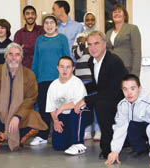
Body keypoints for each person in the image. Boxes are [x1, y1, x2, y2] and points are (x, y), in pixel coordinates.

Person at [0, 42, 48, 155]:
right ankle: (2, 133)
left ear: (21, 58)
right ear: (6, 57)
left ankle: (15, 135)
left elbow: (31, 99)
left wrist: (17, 116)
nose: (14, 58)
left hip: (17, 118)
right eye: (10, 54)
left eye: (17, 55)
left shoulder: (29, 74)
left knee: (34, 117)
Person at [74, 30, 128, 159]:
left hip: (123, 101)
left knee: (101, 105)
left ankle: (108, 147)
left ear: (104, 44)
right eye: (90, 44)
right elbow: (98, 85)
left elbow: (112, 91)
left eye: (96, 43)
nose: (93, 48)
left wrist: (86, 100)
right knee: (97, 102)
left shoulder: (113, 61)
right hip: (109, 96)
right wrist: (78, 89)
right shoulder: (91, 62)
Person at [105, 74, 150, 168]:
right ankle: (141, 149)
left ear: (139, 88)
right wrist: (115, 151)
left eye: (132, 88)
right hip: (144, 124)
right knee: (130, 126)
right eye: (125, 89)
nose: (129, 93)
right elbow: (120, 128)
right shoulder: (122, 105)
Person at [30, 15, 70, 146]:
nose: (49, 25)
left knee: (60, 107)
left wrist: (67, 77)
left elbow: (67, 58)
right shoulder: (39, 40)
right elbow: (36, 60)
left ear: (56, 25)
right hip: (43, 79)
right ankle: (43, 135)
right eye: (46, 23)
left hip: (59, 79)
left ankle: (62, 133)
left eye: (51, 22)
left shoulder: (62, 39)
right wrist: (33, 78)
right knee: (44, 108)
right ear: (43, 26)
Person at [46, 56, 87, 155]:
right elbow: (51, 107)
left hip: (79, 114)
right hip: (63, 116)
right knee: (58, 145)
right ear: (58, 68)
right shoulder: (53, 86)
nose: (65, 70)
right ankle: (71, 137)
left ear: (73, 69)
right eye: (62, 66)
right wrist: (55, 121)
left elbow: (80, 103)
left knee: (77, 110)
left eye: (68, 67)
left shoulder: (77, 83)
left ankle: (78, 144)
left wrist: (63, 107)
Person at [72, 12, 101, 141]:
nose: (90, 22)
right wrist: (82, 44)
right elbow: (75, 55)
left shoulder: (99, 35)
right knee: (84, 104)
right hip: (81, 76)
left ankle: (99, 129)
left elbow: (101, 53)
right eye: (87, 20)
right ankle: (87, 129)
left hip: (94, 75)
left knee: (96, 103)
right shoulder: (79, 36)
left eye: (92, 19)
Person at [106, 5, 141, 77]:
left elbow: (137, 52)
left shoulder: (132, 28)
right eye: (114, 12)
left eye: (119, 12)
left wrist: (135, 74)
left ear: (125, 15)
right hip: (111, 69)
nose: (116, 14)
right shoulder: (108, 32)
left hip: (126, 68)